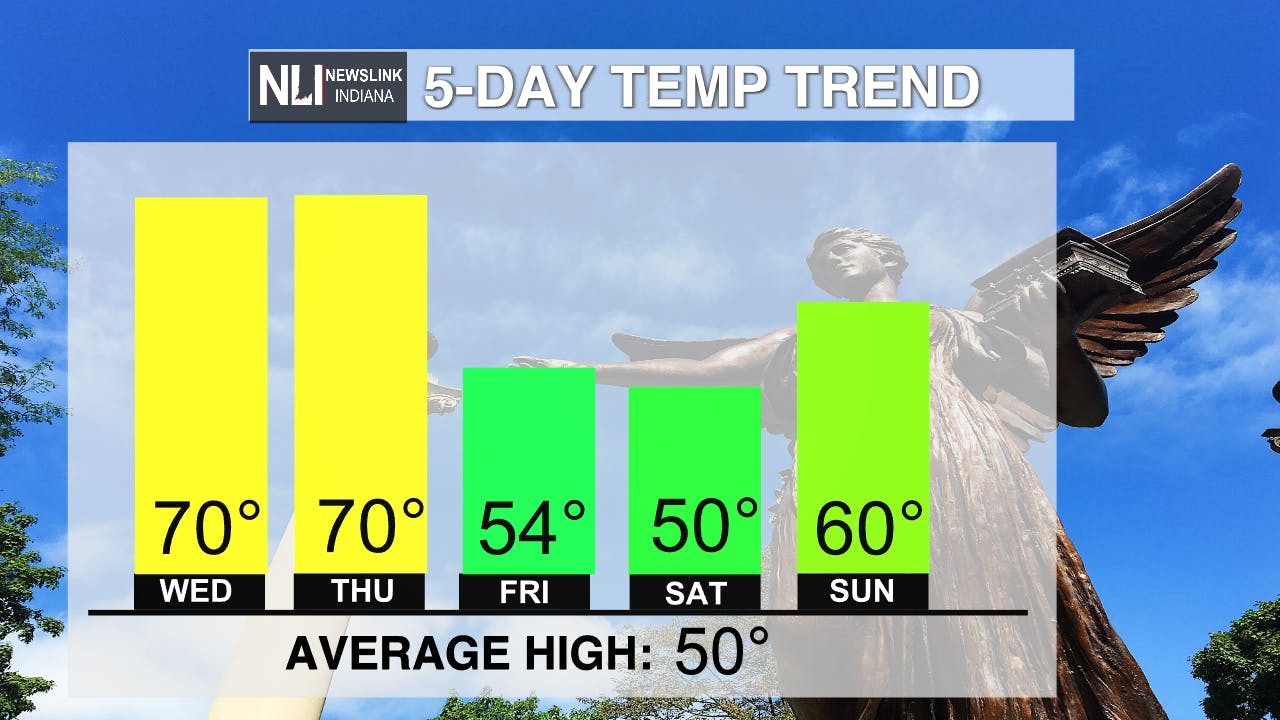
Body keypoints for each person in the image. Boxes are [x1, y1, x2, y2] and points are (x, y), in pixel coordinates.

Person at [514, 227, 1169, 720]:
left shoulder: (951, 324)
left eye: (843, 247)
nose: (829, 260)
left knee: (964, 624)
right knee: (802, 624)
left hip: (956, 474)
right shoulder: (805, 336)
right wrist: (582, 374)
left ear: (888, 258)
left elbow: (1084, 411)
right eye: (820, 257)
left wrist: (1058, 338)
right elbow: (703, 371)